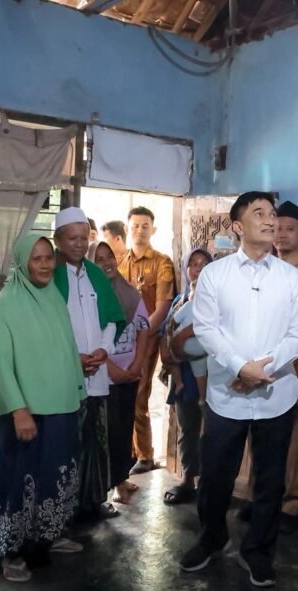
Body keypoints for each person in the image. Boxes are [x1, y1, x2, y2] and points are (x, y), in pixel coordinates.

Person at [179, 191, 298, 588]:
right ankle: (211, 538)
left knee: (271, 482)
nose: (271, 220)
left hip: (276, 395)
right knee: (215, 477)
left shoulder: (290, 277)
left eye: (272, 213)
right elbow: (207, 330)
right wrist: (240, 367)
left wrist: (261, 369)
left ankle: (258, 553)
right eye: (260, 213)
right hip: (227, 395)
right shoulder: (216, 275)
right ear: (238, 226)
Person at [0, 234, 86, 583]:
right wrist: (18, 410)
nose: (45, 265)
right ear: (23, 262)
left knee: (54, 476)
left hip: (60, 408)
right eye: (37, 259)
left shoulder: (53, 298)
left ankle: (47, 537)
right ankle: (10, 552)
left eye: (48, 258)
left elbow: (65, 348)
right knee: (16, 480)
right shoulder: (5, 306)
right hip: (24, 414)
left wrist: (78, 387)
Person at [239, 201, 298, 532]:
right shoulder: (262, 268)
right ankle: (260, 498)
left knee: (295, 439)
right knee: (261, 438)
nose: (282, 234)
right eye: (277, 228)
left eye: (290, 229)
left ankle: (293, 504)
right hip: (265, 369)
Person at [53, 207, 126, 519]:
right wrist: (73, 359)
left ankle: (94, 500)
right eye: (72, 238)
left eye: (84, 238)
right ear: (58, 240)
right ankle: (63, 510)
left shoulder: (95, 274)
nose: (80, 244)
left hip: (96, 371)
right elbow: (46, 328)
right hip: (63, 373)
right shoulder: (50, 274)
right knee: (66, 443)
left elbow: (112, 318)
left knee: (96, 442)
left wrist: (103, 350)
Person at [90, 241, 150, 505]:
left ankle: (121, 478)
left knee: (125, 428)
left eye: (109, 257)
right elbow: (89, 340)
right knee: (108, 433)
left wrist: (137, 364)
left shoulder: (130, 293)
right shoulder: (91, 298)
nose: (106, 263)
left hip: (130, 373)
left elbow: (144, 328)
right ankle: (108, 485)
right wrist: (112, 370)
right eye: (99, 259)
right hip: (103, 376)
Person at [118, 207, 176, 474]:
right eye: (135, 225)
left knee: (140, 394)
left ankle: (145, 455)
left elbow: (162, 308)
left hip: (148, 339)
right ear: (127, 229)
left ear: (153, 230)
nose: (139, 230)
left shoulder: (162, 263)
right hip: (121, 341)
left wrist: (139, 335)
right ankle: (128, 452)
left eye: (145, 226)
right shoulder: (121, 263)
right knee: (122, 396)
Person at [159, 247, 213, 506]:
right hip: (184, 377)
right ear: (186, 269)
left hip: (210, 377)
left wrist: (185, 337)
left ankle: (209, 481)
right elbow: (165, 330)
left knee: (212, 431)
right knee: (187, 429)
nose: (198, 268)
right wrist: (167, 354)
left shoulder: (216, 300)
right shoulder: (180, 300)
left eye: (204, 264)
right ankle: (187, 479)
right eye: (193, 263)